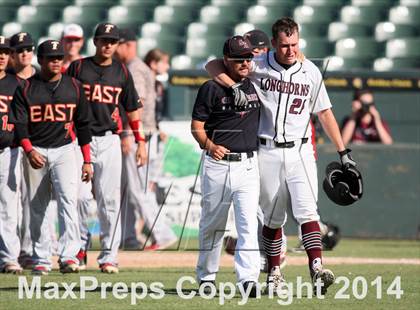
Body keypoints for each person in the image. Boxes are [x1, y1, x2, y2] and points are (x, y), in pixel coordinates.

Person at [206, 17, 357, 295]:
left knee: (308, 211)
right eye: (284, 44)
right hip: (266, 150)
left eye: (295, 44)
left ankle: (317, 268)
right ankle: (274, 272)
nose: (290, 49)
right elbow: (211, 65)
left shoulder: (310, 71)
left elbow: (324, 113)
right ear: (273, 43)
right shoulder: (259, 66)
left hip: (300, 150)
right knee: (273, 218)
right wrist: (234, 86)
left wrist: (343, 152)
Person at [67, 23, 147, 273]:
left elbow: (133, 108)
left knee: (109, 201)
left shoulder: (122, 71)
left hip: (110, 139)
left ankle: (109, 256)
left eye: (113, 40)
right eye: (104, 40)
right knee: (79, 198)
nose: (108, 44)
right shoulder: (78, 67)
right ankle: (79, 248)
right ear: (95, 41)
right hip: (80, 140)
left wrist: (140, 141)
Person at [9, 39, 93, 275]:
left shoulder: (74, 87)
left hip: (66, 150)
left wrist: (87, 160)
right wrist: (28, 149)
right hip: (35, 149)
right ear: (41, 60)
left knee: (69, 201)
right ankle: (42, 258)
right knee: (37, 206)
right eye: (51, 57)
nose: (56, 61)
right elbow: (19, 124)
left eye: (59, 57)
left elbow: (83, 125)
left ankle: (68, 256)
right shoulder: (26, 88)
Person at [192, 36, 261, 296]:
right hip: (218, 164)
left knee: (247, 225)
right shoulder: (211, 88)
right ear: (226, 61)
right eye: (238, 59)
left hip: (248, 165)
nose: (244, 63)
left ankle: (248, 280)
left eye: (247, 58)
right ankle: (207, 277)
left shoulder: (256, 81)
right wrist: (210, 145)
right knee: (212, 225)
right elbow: (196, 126)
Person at [115, 29, 177, 250]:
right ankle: (128, 237)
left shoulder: (134, 69)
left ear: (128, 45)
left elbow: (135, 104)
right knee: (128, 188)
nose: (112, 48)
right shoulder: (136, 68)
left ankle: (162, 234)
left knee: (139, 190)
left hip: (138, 134)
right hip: (142, 134)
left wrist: (128, 133)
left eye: (117, 44)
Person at [9, 32, 38, 269]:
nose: (24, 53)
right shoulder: (6, 80)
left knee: (33, 199)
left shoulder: (42, 78)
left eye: (28, 48)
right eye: (19, 50)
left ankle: (29, 249)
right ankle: (10, 251)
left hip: (36, 145)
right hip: (10, 146)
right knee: (10, 201)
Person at [0, 36, 24, 274]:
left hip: (10, 150)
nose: (1, 55)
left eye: (5, 52)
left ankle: (9, 258)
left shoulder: (17, 84)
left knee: (9, 206)